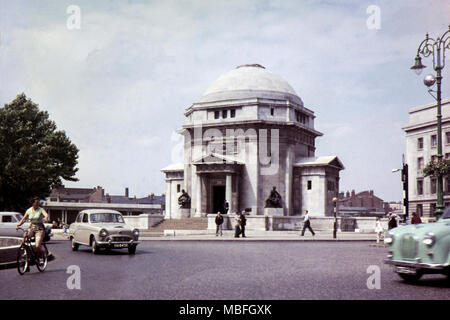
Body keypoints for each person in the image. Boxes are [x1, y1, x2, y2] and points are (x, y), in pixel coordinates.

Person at [16, 196, 49, 262]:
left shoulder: (41, 209)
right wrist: (18, 225)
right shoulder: (29, 210)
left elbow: (46, 215)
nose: (37, 204)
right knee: (24, 239)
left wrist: (45, 218)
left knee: (37, 246)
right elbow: (24, 219)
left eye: (38, 202)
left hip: (40, 228)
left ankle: (41, 256)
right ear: (32, 203)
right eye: (36, 203)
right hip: (31, 227)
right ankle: (26, 255)